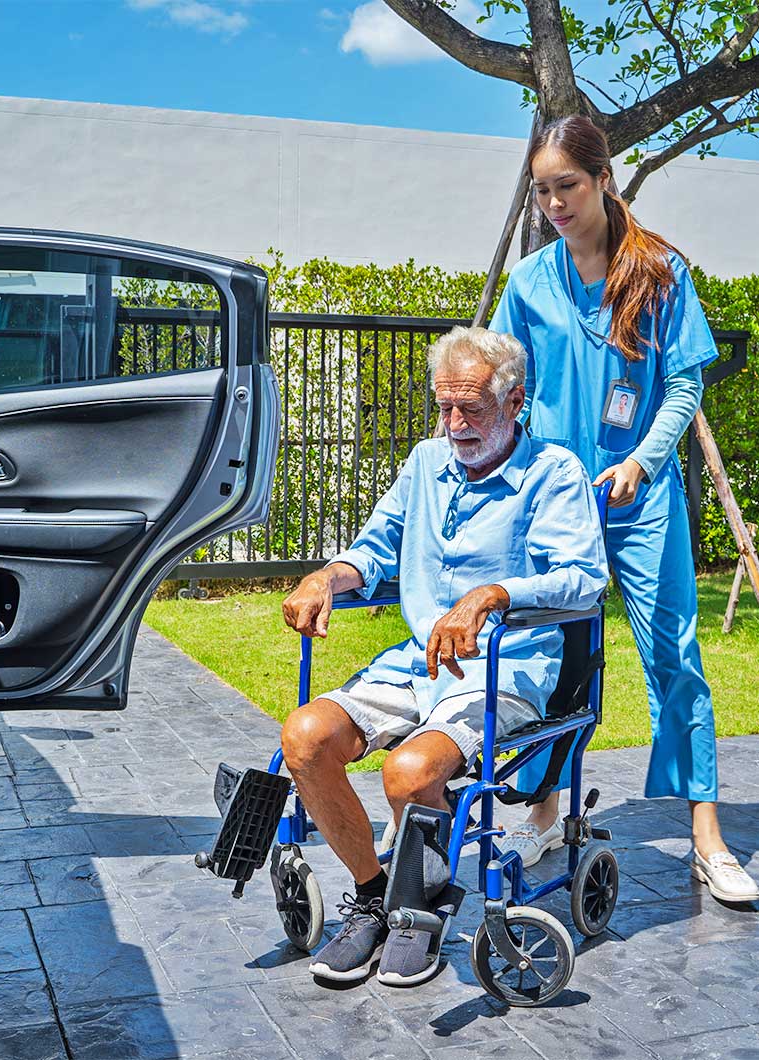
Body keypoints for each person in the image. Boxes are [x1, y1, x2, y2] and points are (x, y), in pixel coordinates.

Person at [280, 326, 608, 986]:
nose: (455, 424)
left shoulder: (553, 473)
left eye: (472, 409)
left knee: (407, 775)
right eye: (444, 407)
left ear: (515, 401)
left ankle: (420, 910)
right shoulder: (424, 464)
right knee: (305, 738)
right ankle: (378, 896)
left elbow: (583, 578)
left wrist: (495, 593)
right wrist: (326, 576)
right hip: (419, 660)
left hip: (507, 663)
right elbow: (372, 550)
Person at [491, 114, 759, 903]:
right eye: (541, 191)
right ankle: (543, 810)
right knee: (557, 658)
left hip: (642, 500)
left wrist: (642, 462)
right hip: (555, 505)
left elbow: (682, 387)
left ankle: (706, 836)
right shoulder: (528, 282)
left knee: (673, 656)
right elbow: (510, 386)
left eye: (566, 186)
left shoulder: (660, 273)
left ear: (603, 179)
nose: (553, 204)